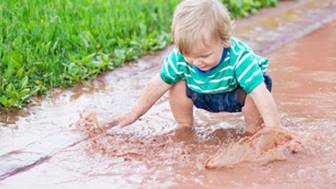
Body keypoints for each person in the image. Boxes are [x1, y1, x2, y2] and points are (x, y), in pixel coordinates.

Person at [109, 0, 288, 137]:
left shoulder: (240, 58)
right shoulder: (180, 58)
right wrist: (133, 114)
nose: (196, 62)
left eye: (204, 56)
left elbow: (260, 92)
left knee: (256, 90)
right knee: (174, 81)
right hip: (201, 93)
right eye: (189, 55)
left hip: (236, 94)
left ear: (224, 41)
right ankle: (184, 125)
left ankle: (253, 131)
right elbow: (156, 85)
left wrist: (275, 128)